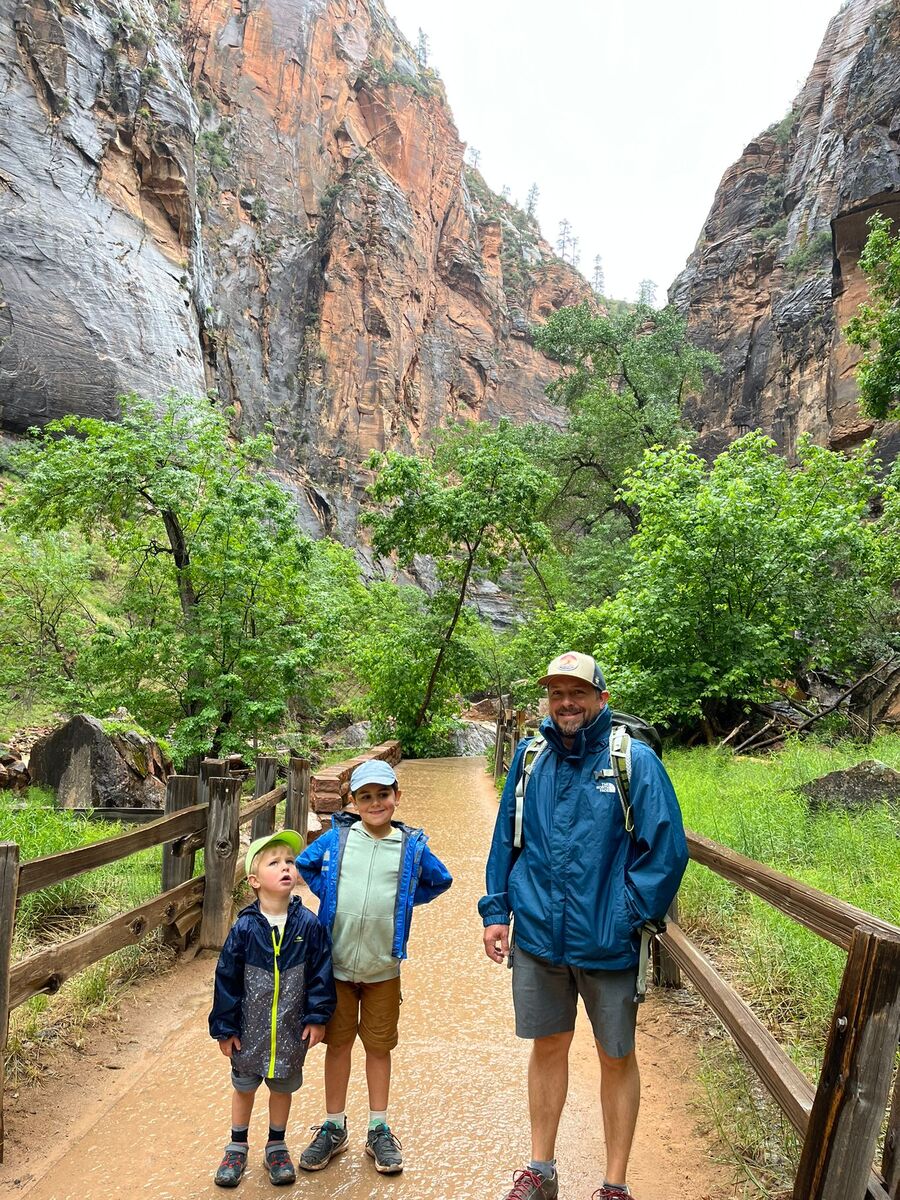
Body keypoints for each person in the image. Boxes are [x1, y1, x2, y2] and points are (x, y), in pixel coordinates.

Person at [480, 652, 688, 1200]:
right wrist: (496, 910)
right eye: (556, 693)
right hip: (540, 937)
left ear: (601, 698)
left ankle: (614, 1184)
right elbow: (507, 840)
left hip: (608, 941)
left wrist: (626, 915)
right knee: (547, 1045)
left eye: (577, 692)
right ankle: (540, 1170)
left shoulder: (633, 762)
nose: (566, 703)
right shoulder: (529, 759)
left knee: (616, 1055)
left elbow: (665, 849)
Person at [296, 759, 452, 1175]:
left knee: (378, 1047)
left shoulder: (411, 845)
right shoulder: (338, 840)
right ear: (354, 801)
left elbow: (441, 879)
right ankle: (333, 1125)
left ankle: (378, 1127)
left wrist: (403, 903)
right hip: (338, 967)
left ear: (397, 797)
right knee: (338, 1045)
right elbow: (306, 864)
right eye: (366, 796)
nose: (376, 802)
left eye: (383, 794)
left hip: (383, 969)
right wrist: (327, 893)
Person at [209, 830, 336, 1188]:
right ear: (254, 880)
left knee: (282, 1087)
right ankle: (237, 1144)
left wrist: (317, 1017)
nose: (286, 868)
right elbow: (227, 980)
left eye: (290, 862)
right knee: (244, 1085)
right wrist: (225, 1027)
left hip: (290, 1029)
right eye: (274, 862)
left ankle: (277, 1143)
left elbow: (321, 974)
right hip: (249, 1031)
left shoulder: (308, 925)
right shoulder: (245, 928)